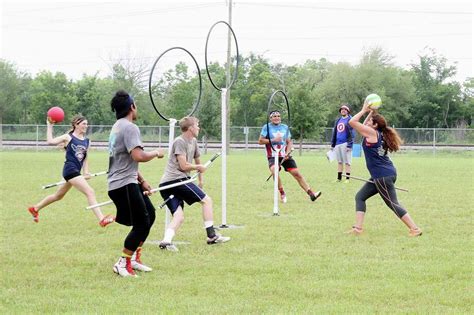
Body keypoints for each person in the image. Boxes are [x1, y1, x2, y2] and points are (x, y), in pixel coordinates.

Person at [108, 90, 165, 277]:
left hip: (125, 181)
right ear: (132, 107)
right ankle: (122, 262)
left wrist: (142, 181)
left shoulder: (117, 126)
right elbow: (138, 155)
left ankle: (133, 259)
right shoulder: (130, 127)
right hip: (123, 183)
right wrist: (156, 153)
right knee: (141, 222)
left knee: (151, 215)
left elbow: (125, 160)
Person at [347, 100, 422, 236]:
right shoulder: (377, 133)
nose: (367, 122)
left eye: (370, 122)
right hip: (384, 174)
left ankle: (414, 228)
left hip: (382, 176)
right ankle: (358, 229)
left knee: (392, 203)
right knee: (360, 197)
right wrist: (371, 113)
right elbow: (361, 126)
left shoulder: (372, 133)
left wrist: (364, 110)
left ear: (375, 125)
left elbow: (352, 122)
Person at [28, 115, 115, 228]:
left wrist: (86, 172)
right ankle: (101, 219)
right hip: (70, 170)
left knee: (58, 196)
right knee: (90, 192)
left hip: (75, 172)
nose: (86, 126)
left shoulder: (87, 141)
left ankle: (35, 208)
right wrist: (49, 125)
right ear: (76, 124)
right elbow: (50, 142)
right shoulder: (68, 137)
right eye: (84, 124)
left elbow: (85, 157)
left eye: (86, 124)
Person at [158, 116, 230, 250]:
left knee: (179, 216)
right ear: (190, 128)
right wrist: (198, 168)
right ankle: (211, 236)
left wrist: (200, 180)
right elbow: (184, 166)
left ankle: (166, 241)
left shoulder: (194, 141)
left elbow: (198, 160)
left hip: (172, 182)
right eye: (197, 125)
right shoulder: (179, 141)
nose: (199, 127)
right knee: (207, 201)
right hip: (175, 180)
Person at [258, 110, 321, 203]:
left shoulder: (285, 127)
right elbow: (260, 141)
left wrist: (287, 152)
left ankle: (311, 194)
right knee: (275, 171)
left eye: (278, 116)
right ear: (270, 118)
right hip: (273, 155)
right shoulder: (266, 127)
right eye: (274, 116)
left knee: (297, 174)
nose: (277, 118)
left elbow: (289, 142)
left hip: (285, 156)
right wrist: (274, 140)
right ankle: (282, 192)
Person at [330, 103, 356, 183]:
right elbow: (335, 132)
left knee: (347, 162)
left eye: (345, 109)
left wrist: (350, 145)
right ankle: (339, 178)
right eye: (342, 109)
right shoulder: (338, 120)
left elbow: (352, 133)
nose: (343, 111)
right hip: (338, 144)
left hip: (346, 143)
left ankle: (347, 179)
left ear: (348, 111)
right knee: (340, 161)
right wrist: (333, 144)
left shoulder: (350, 120)